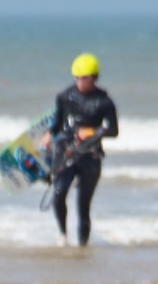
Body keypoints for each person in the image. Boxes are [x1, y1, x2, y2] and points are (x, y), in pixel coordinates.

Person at [48, 53, 118, 248]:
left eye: (84, 78)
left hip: (90, 157)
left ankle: (82, 246)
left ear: (94, 77)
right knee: (58, 195)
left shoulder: (104, 102)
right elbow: (57, 124)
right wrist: (49, 136)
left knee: (83, 205)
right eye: (77, 78)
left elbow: (113, 130)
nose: (80, 82)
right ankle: (63, 235)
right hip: (67, 154)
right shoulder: (64, 97)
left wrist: (92, 132)